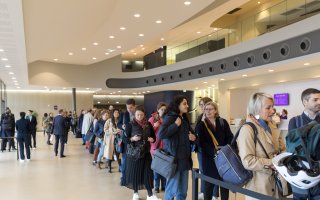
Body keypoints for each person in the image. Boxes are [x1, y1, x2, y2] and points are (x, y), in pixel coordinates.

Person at [237, 92, 286, 200]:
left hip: (277, 184)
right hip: (258, 188)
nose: (273, 111)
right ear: (256, 109)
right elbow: (248, 161)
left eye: (273, 107)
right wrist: (272, 162)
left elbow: (282, 149)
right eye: (268, 107)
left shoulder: (272, 126)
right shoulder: (247, 129)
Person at [158, 95, 197, 200]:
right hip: (174, 160)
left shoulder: (184, 118)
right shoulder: (170, 117)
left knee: (183, 190)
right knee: (171, 189)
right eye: (184, 103)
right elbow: (161, 134)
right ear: (177, 105)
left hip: (184, 159)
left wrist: (193, 137)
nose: (187, 106)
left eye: (187, 103)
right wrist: (175, 125)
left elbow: (192, 135)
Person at [195, 101, 234, 200]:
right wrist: (214, 152)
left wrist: (225, 149)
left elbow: (230, 137)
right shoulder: (201, 125)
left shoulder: (222, 122)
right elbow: (201, 143)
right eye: (206, 109)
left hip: (223, 159)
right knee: (209, 187)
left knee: (224, 186)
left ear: (215, 110)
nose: (208, 111)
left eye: (210, 109)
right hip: (209, 160)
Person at [288, 88, 320, 200]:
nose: (319, 102)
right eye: (315, 100)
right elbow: (292, 148)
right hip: (300, 175)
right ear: (305, 102)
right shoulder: (295, 121)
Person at [122, 105, 160, 200]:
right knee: (136, 174)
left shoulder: (148, 124)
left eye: (141, 115)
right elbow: (124, 139)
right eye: (138, 114)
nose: (139, 116)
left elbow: (154, 137)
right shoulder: (130, 125)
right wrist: (132, 138)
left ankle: (150, 195)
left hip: (146, 153)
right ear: (134, 114)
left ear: (144, 115)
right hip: (135, 154)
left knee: (148, 174)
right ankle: (135, 193)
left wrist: (152, 139)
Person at [195, 97, 213, 199]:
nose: (202, 107)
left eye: (204, 105)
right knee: (203, 170)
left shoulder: (213, 118)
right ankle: (203, 191)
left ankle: (214, 194)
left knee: (212, 172)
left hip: (210, 150)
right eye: (201, 105)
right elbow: (197, 131)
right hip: (200, 148)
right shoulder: (200, 117)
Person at [148, 102, 167, 193]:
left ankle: (164, 185)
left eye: (164, 109)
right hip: (155, 147)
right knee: (157, 167)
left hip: (165, 147)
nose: (163, 111)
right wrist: (154, 127)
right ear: (158, 110)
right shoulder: (152, 119)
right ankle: (156, 186)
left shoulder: (167, 119)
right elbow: (148, 132)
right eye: (161, 109)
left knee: (164, 167)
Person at [118, 98, 136, 186]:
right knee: (125, 161)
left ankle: (132, 178)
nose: (129, 109)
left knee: (134, 161)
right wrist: (122, 126)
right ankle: (124, 178)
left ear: (134, 106)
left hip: (136, 142)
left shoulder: (138, 114)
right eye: (128, 107)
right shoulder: (124, 114)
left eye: (131, 107)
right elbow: (118, 124)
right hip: (126, 141)